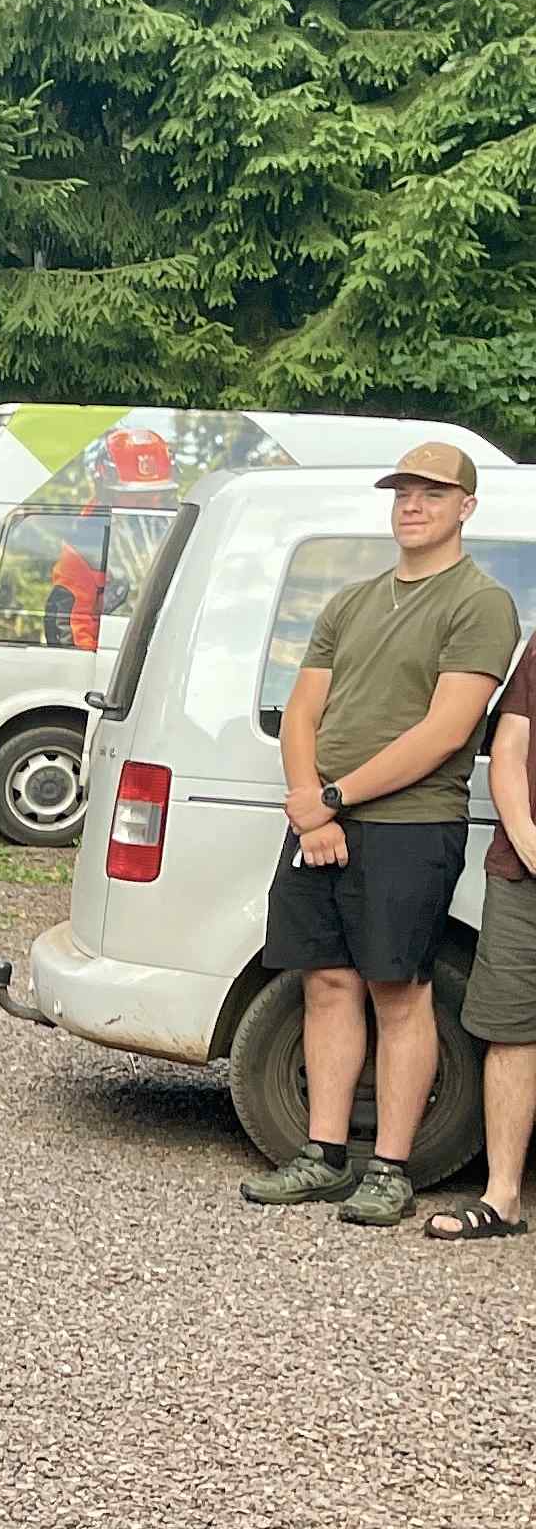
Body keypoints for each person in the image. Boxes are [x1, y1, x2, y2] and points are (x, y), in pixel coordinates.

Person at [240, 440, 518, 1230]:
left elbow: (446, 730)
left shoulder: (480, 603)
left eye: (432, 493)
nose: (412, 505)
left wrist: (332, 797)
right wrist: (310, 804)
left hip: (410, 825)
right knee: (325, 983)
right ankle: (324, 1156)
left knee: (400, 991)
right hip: (322, 819)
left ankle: (391, 1169)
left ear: (466, 507)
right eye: (402, 492)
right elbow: (303, 711)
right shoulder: (351, 601)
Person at [435, 626, 536, 1245]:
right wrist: (527, 841)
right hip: (523, 873)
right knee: (512, 1029)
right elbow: (510, 747)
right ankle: (503, 1198)